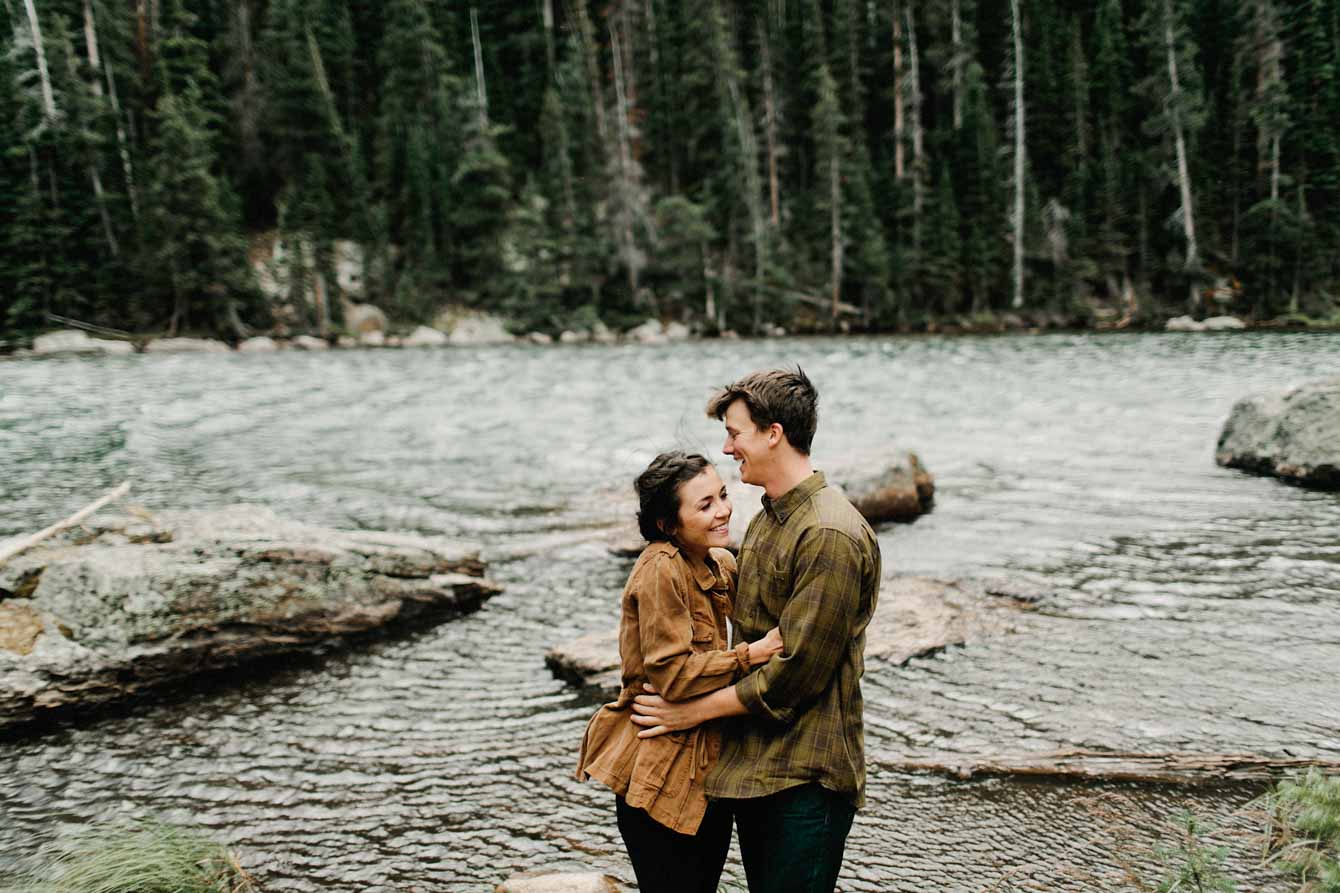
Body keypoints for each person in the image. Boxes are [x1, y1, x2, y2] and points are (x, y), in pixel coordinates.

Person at [630, 368, 881, 893]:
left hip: (807, 779)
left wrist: (688, 712)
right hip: (760, 768)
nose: (727, 447)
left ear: (773, 433)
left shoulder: (828, 532)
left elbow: (793, 677)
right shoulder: (770, 516)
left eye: (735, 432)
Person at [576, 450, 784, 893]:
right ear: (669, 524)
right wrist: (750, 655)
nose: (724, 510)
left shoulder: (720, 562)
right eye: (704, 505)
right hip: (660, 774)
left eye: (723, 496)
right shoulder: (660, 568)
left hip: (705, 771)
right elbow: (671, 676)